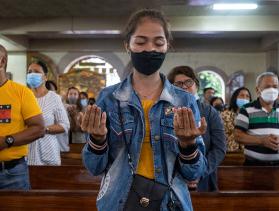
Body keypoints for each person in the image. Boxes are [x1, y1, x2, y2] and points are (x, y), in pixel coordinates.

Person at [81, 9, 207, 211]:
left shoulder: (184, 100)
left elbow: (195, 172)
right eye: (140, 42)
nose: (150, 49)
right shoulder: (109, 98)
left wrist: (188, 144)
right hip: (119, 202)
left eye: (158, 43)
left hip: (170, 202)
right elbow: (94, 168)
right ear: (127, 45)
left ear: (167, 46)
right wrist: (96, 140)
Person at [168, 65, 226, 191]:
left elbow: (219, 148)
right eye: (178, 84)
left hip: (203, 179)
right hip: (172, 180)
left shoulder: (209, 112)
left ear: (196, 85)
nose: (183, 86)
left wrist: (200, 172)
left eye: (188, 82)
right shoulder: (166, 112)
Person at [0, 44, 45, 189]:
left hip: (11, 173)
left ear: (2, 61)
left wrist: (7, 141)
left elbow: (39, 128)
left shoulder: (21, 92)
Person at [26, 61, 70, 165]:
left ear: (45, 77)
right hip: (26, 152)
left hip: (48, 152)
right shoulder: (23, 96)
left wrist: (43, 129)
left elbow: (64, 125)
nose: (32, 74)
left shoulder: (54, 98)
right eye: (29, 72)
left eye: (36, 72)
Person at [235, 72, 279, 165]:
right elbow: (238, 136)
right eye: (267, 87)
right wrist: (262, 141)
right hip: (253, 165)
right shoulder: (246, 109)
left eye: (275, 87)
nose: (272, 90)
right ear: (257, 90)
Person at [221, 87, 252, 152]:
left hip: (250, 151)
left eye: (247, 96)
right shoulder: (225, 114)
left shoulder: (252, 115)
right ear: (235, 98)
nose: (244, 98)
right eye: (242, 95)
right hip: (230, 151)